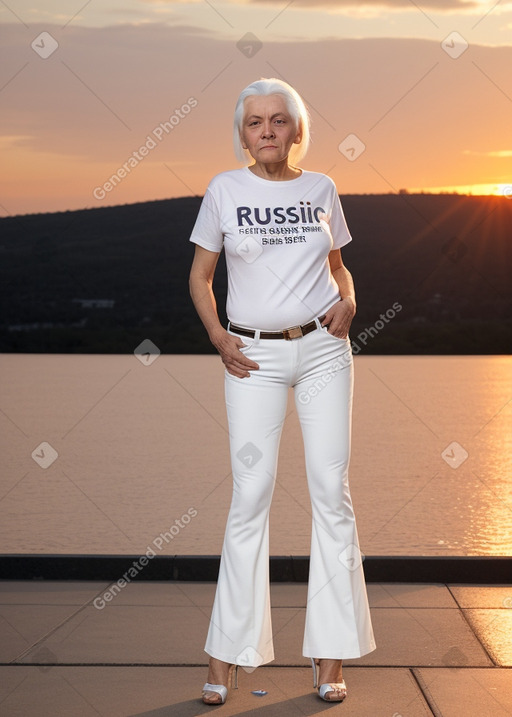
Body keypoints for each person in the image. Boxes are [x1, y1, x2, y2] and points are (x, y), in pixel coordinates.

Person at [189, 77, 376, 705]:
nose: (266, 131)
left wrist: (350, 299)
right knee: (251, 495)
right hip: (253, 356)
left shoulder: (321, 188)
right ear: (242, 133)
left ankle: (329, 659)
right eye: (254, 122)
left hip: (325, 348)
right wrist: (218, 336)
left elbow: (339, 266)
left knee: (332, 492)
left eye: (278, 120)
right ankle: (226, 659)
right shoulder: (223, 189)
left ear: (297, 129)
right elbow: (200, 275)